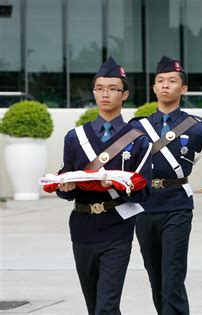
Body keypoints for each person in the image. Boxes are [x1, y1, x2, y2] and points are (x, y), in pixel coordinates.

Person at [56, 57, 153, 315]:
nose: (105, 94)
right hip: (82, 225)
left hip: (117, 226)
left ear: (125, 94)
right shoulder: (75, 137)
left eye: (112, 88)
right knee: (94, 305)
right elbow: (69, 180)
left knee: (106, 306)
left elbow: (143, 193)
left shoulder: (138, 140)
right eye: (99, 88)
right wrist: (63, 187)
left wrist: (119, 183)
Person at [129, 56, 202, 315]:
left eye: (172, 81)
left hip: (177, 205)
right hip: (144, 206)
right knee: (156, 280)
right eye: (160, 81)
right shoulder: (137, 127)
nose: (166, 86)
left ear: (184, 89)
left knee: (173, 278)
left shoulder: (199, 128)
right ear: (154, 88)